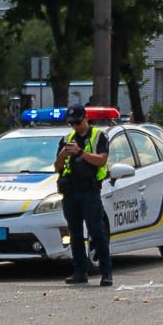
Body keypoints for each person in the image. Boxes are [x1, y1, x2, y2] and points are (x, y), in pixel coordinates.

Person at [53, 104, 112, 287]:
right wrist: (62, 155)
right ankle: (80, 272)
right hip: (70, 192)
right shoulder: (67, 139)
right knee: (75, 234)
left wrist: (80, 152)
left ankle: (106, 273)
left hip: (89, 191)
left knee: (96, 231)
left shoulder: (98, 136)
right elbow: (57, 167)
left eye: (77, 122)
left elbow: (101, 160)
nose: (75, 127)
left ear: (85, 118)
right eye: (72, 123)